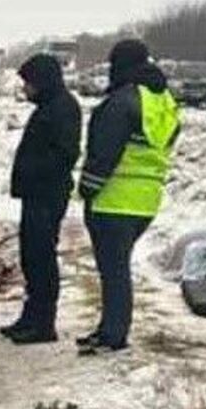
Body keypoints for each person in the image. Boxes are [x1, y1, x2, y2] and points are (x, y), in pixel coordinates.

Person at [76, 39, 178, 355]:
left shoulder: (121, 102)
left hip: (113, 199)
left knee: (114, 271)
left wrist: (87, 188)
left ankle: (113, 334)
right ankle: (110, 328)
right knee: (117, 268)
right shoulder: (162, 102)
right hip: (145, 200)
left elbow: (103, 153)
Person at [2, 53, 82, 344]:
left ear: (42, 81)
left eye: (28, 83)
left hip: (48, 193)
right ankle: (31, 315)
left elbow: (65, 154)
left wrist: (33, 172)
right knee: (31, 255)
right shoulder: (49, 106)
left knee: (41, 256)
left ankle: (43, 322)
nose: (25, 89)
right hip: (37, 193)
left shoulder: (63, 108)